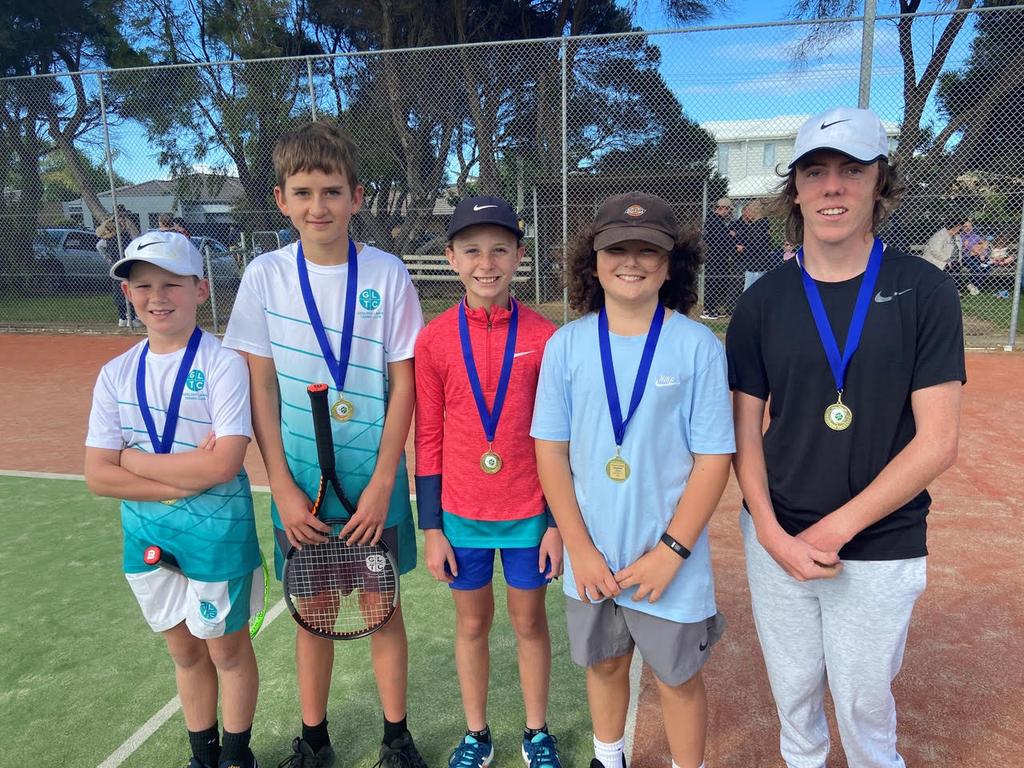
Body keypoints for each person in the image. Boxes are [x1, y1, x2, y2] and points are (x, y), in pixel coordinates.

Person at [726, 106, 965, 768]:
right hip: (776, 535)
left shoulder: (924, 291)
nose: (833, 187)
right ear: (795, 189)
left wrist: (835, 530)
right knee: (795, 696)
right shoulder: (764, 300)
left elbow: (938, 441)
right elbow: (743, 432)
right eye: (816, 172)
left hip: (879, 542)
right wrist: (772, 533)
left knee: (863, 703)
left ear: (878, 184)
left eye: (851, 171)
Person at [222, 122, 426, 768]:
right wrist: (280, 485)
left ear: (357, 196)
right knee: (311, 615)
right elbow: (259, 389)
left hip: (374, 488)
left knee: (380, 609)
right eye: (304, 192)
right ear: (281, 199)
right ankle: (314, 741)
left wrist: (386, 482)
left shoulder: (388, 275)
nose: (319, 206)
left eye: (332, 191)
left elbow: (405, 381)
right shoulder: (264, 277)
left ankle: (397, 739)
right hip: (301, 493)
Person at [532, 192, 734, 768]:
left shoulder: (696, 346)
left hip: (670, 560)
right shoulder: (567, 345)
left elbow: (713, 460)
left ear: (673, 264)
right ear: (592, 260)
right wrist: (580, 548)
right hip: (592, 555)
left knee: (677, 678)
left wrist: (671, 552)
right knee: (605, 663)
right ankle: (609, 756)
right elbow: (552, 454)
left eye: (649, 250)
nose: (633, 260)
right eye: (618, 248)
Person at [84, 231, 262, 768]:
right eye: (142, 286)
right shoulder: (115, 373)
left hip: (217, 535)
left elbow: (225, 463)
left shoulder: (225, 363)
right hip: (147, 538)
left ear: (200, 289)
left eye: (171, 283)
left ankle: (236, 757)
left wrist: (131, 460)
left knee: (226, 651)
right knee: (184, 653)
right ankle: (202, 757)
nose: (156, 296)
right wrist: (186, 476)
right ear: (128, 294)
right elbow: (97, 475)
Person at [413, 196, 563, 768]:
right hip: (461, 516)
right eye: (472, 250)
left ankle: (536, 731)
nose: (487, 262)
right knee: (472, 622)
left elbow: (558, 439)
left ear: (519, 256)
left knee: (529, 621)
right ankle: (477, 734)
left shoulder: (547, 337)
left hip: (528, 513)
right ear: (451, 258)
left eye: (500, 249)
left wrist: (553, 523)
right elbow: (428, 436)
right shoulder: (434, 340)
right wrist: (432, 527)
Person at [96, 204, 141, 326]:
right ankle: (125, 317)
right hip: (119, 263)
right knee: (121, 289)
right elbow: (100, 243)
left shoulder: (127, 225)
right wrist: (109, 258)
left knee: (127, 288)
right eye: (120, 214)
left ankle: (128, 317)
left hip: (124, 261)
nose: (122, 217)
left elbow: (136, 238)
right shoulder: (110, 227)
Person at [699, 197, 737, 319]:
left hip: (717, 256)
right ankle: (708, 309)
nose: (728, 213)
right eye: (727, 210)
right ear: (721, 208)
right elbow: (720, 240)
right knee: (713, 281)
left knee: (718, 281)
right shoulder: (714, 220)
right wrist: (730, 236)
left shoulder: (717, 221)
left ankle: (711, 308)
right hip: (715, 256)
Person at [735, 200, 773, 290]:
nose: (747, 213)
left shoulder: (759, 226)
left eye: (749, 210)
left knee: (748, 290)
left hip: (755, 264)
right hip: (759, 263)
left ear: (754, 211)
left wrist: (744, 248)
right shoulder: (760, 224)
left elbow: (757, 245)